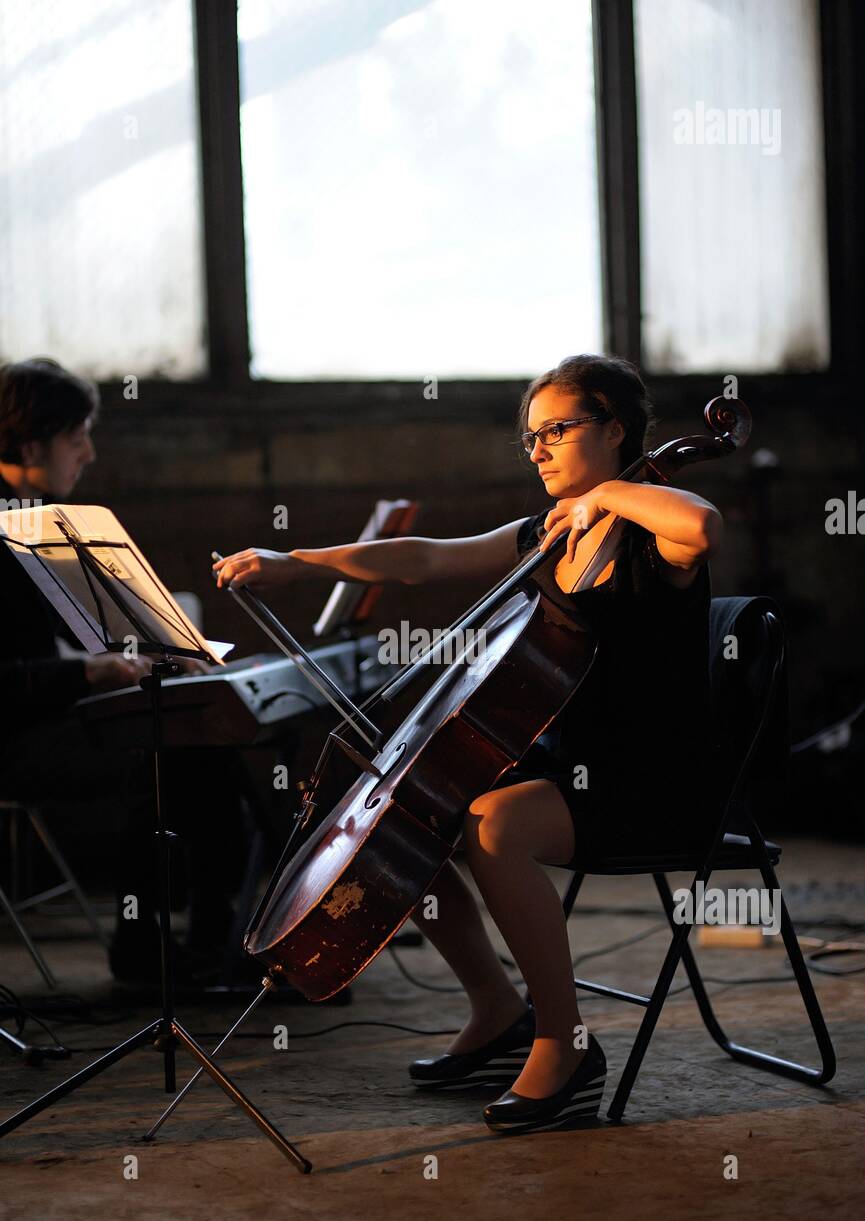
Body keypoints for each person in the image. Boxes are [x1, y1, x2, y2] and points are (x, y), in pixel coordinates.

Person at [213, 354, 724, 1135]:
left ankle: (565, 1043)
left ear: (616, 430)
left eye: (558, 429)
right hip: (571, 771)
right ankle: (497, 1008)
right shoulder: (547, 536)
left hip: (655, 780)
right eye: (530, 437)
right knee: (415, 818)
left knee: (495, 823)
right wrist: (297, 563)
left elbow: (702, 523)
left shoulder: (653, 541)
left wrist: (610, 494)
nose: (540, 448)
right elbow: (422, 559)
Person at [0, 357, 249, 987]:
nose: (87, 453)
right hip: (13, 736)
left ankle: (212, 941)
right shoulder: (13, 530)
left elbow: (87, 628)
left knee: (200, 736)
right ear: (30, 443)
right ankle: (156, 950)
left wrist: (166, 649)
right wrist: (88, 675)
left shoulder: (30, 519)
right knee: (165, 754)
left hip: (42, 714)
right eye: (76, 436)